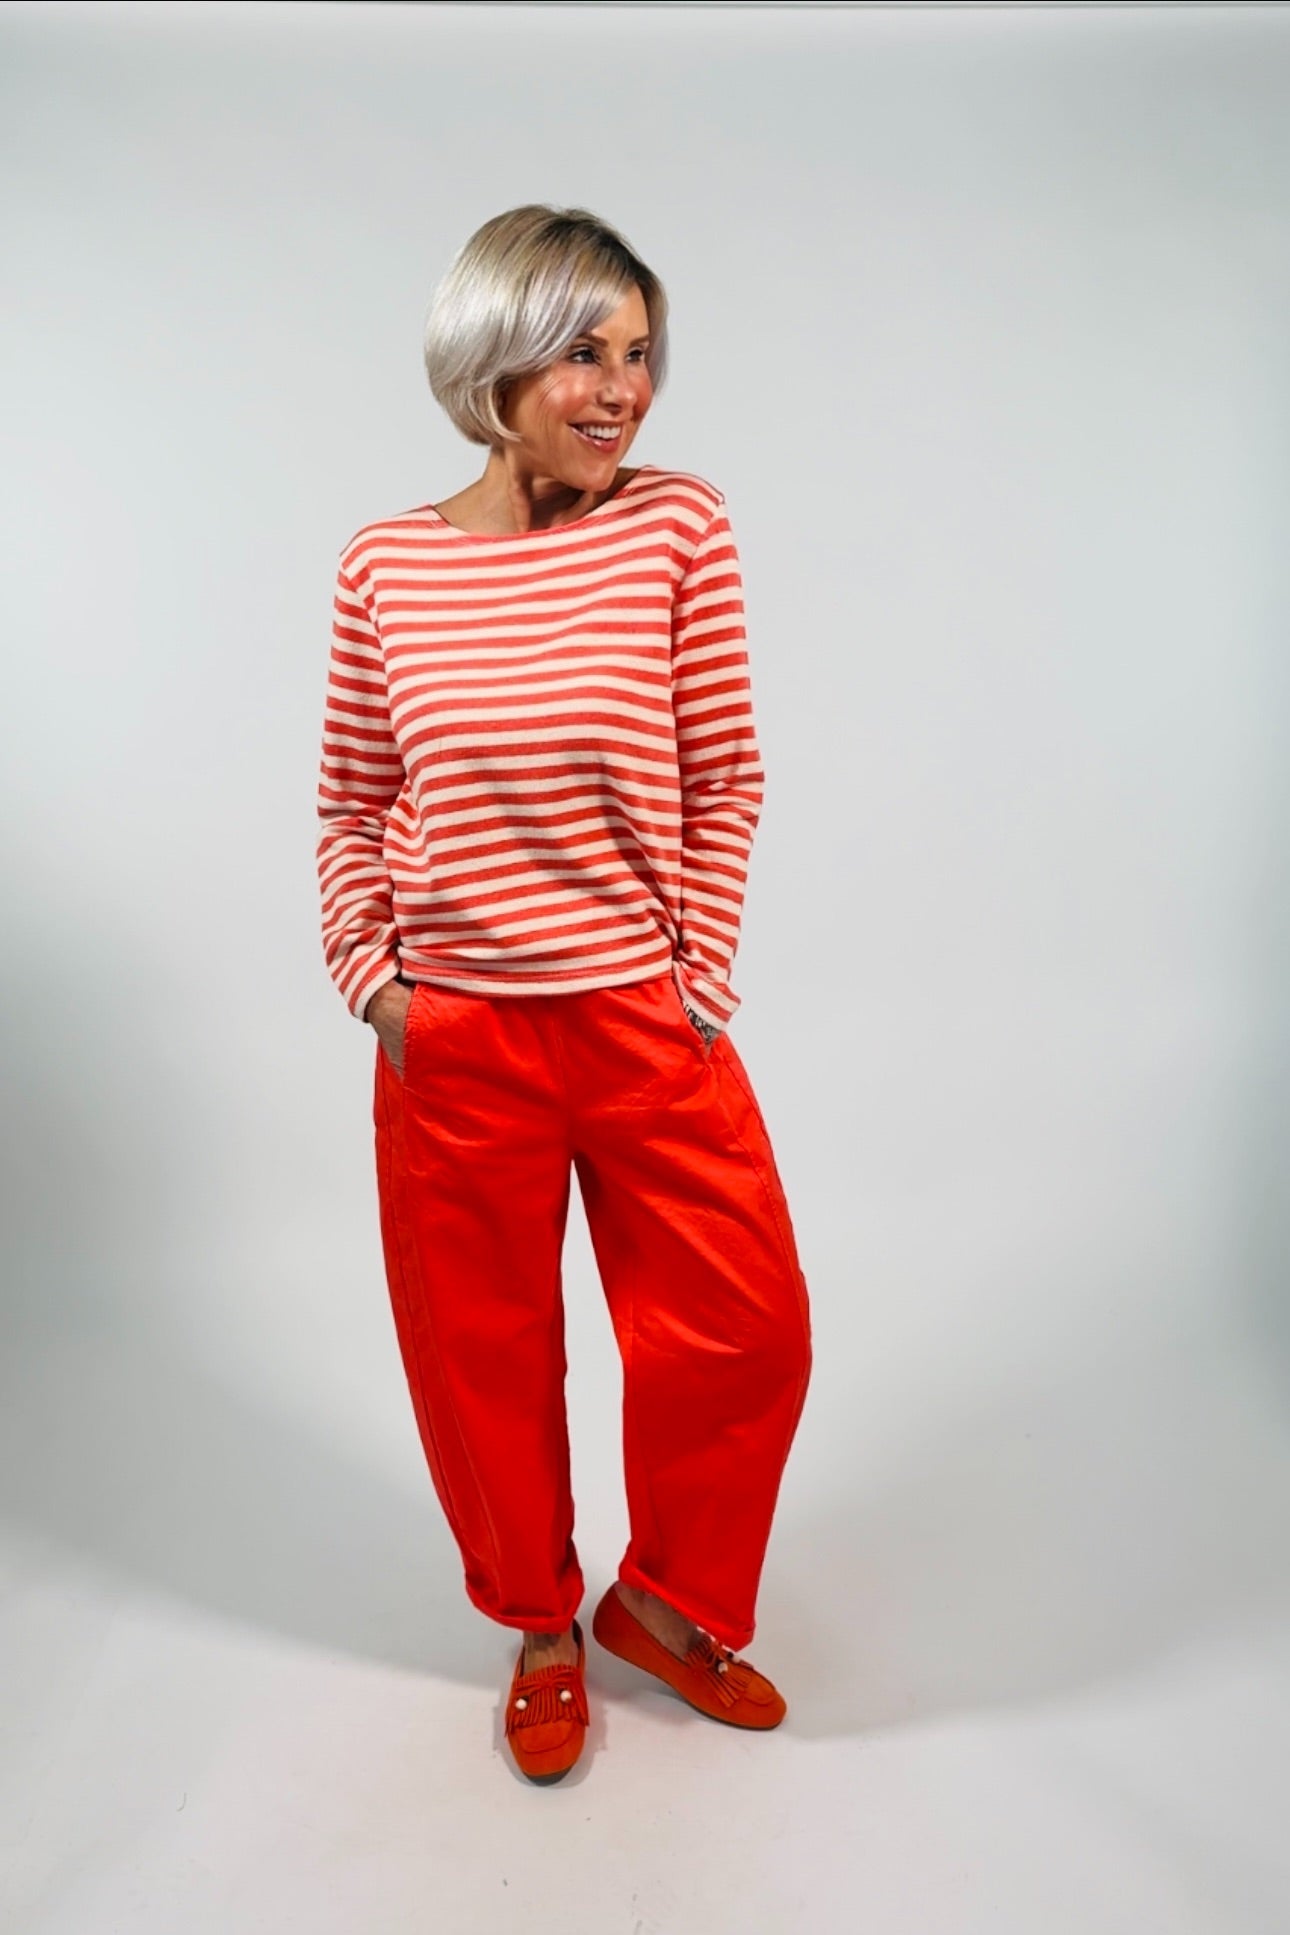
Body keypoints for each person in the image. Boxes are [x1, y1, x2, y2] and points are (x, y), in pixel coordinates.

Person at [316, 204, 813, 1783]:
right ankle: (539, 1625)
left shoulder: (676, 528)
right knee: (483, 1359)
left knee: (746, 1331)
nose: (623, 391)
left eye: (639, 354)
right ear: (494, 361)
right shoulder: (386, 566)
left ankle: (660, 1605)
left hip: (640, 1024)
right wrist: (375, 984)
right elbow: (351, 802)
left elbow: (724, 776)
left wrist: (697, 981)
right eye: (583, 354)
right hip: (455, 1035)